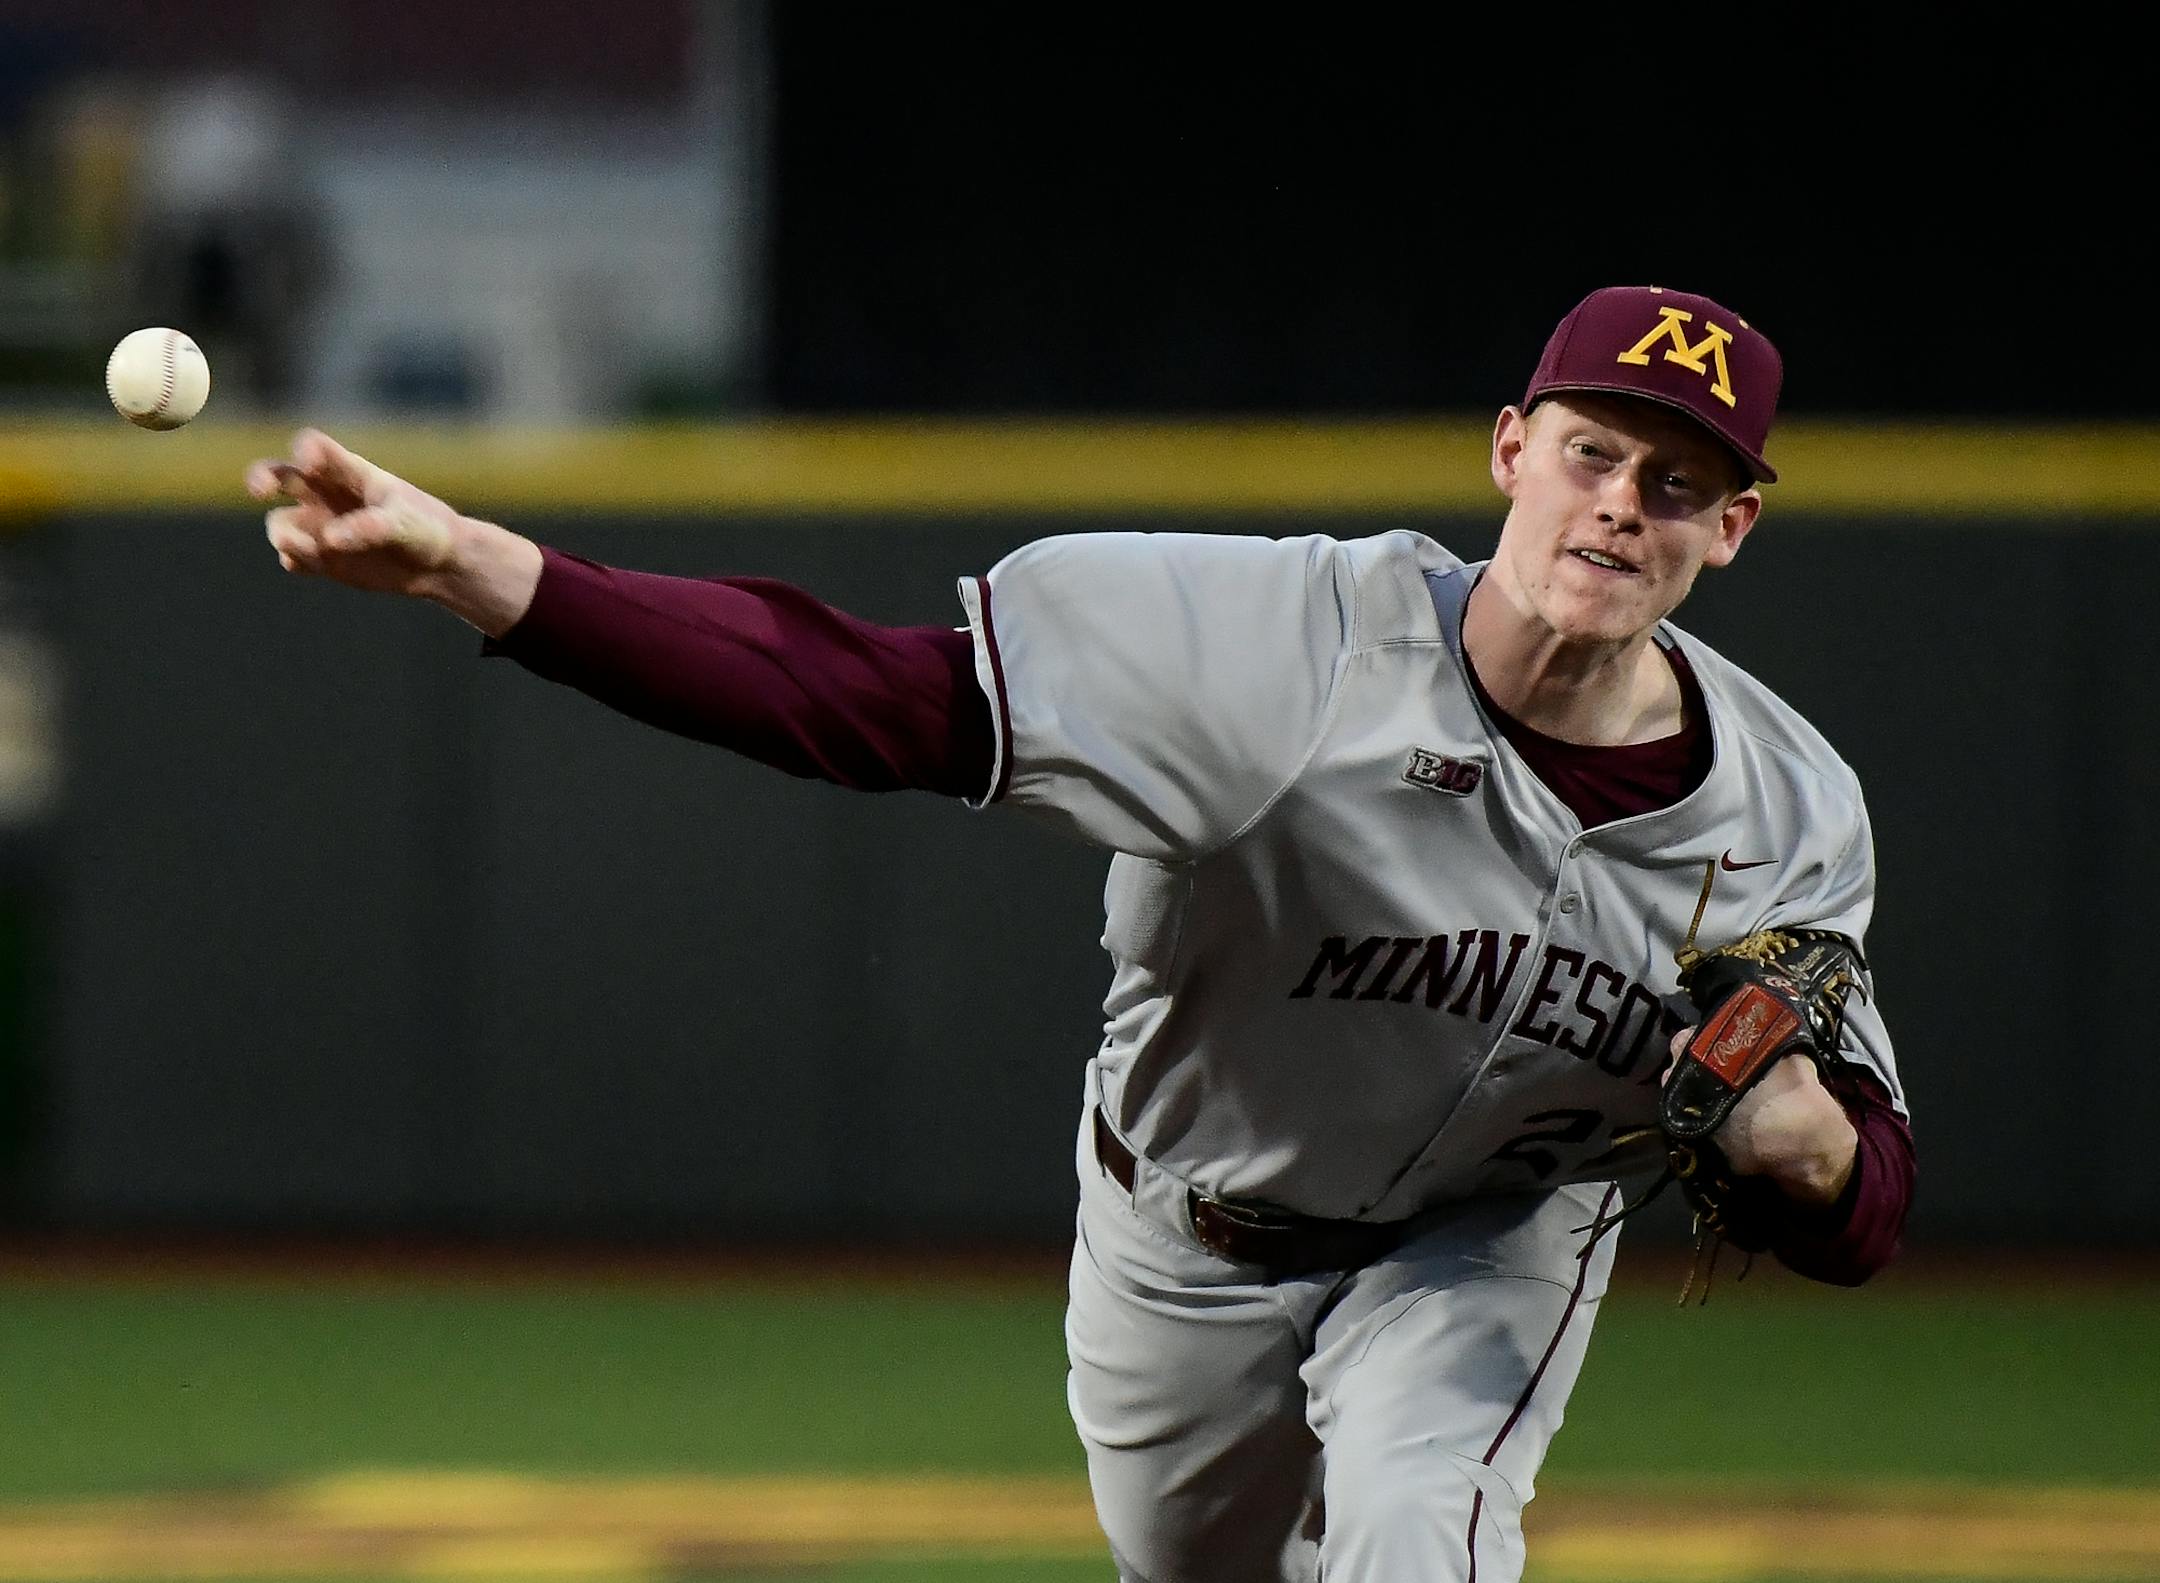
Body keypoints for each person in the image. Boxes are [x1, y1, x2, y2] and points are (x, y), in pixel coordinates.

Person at [246, 284, 1915, 1583]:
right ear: (1510, 452)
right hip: (1188, 1225)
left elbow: (1866, 1201)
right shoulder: (1284, 651)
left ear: (1731, 529)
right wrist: (480, 567)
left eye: (1677, 485)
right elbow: (867, 697)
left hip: (1487, 1238)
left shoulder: (1787, 812)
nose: (1621, 507)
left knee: (1425, 1523)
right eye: (1592, 455)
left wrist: (1820, 1157)